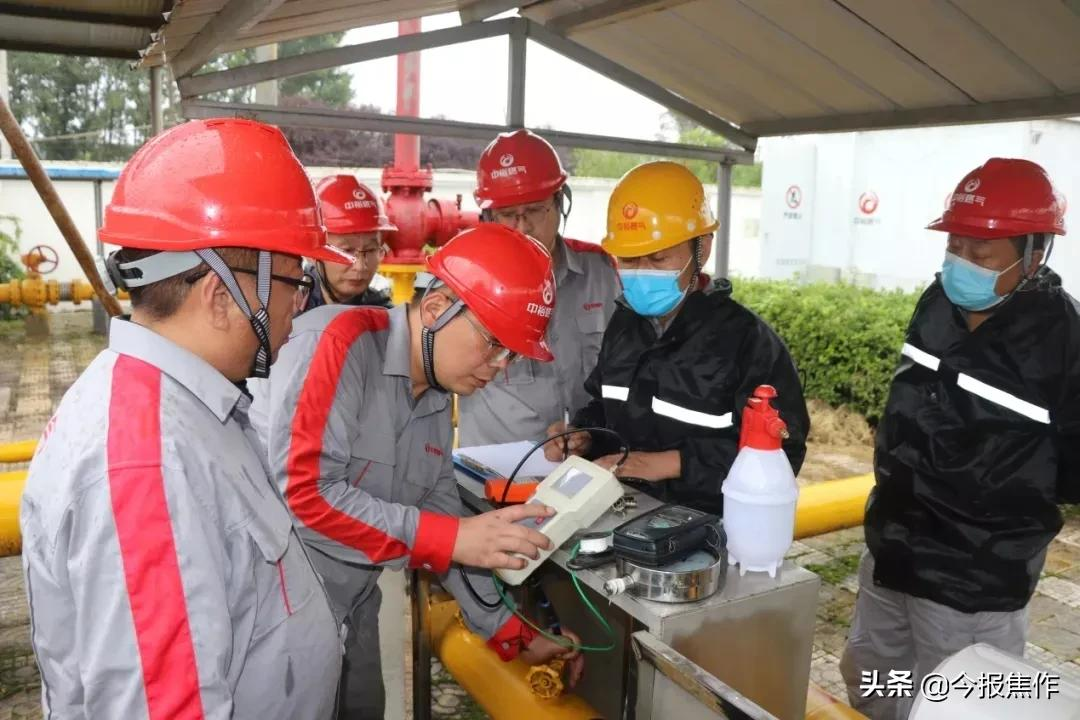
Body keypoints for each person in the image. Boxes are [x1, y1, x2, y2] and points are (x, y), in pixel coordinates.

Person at [20, 118, 350, 718]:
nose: (298, 313)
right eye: (293, 285)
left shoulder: (187, 405)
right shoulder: (148, 460)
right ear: (221, 296)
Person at [254, 223, 585, 719]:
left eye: (511, 353)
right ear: (434, 310)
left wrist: (514, 635)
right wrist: (450, 538)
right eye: (493, 342)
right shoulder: (340, 343)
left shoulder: (433, 393)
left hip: (352, 604)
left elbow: (442, 514)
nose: (500, 365)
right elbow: (305, 497)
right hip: (276, 613)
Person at [841, 158, 1078, 720]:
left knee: (959, 704)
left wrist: (997, 497)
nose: (961, 264)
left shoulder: (1064, 341)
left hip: (974, 576)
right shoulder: (938, 304)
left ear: (1034, 253)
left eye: (982, 253)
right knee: (876, 681)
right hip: (893, 548)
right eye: (956, 247)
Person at [545, 161, 809, 515]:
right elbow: (604, 408)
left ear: (703, 248)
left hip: (710, 529)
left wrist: (674, 463)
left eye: (657, 258)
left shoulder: (746, 341)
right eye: (628, 259)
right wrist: (583, 436)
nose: (641, 272)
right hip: (622, 512)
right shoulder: (624, 325)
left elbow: (782, 451)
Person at [459, 129, 621, 446]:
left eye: (534, 210)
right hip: (494, 479)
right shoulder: (463, 282)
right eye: (508, 215)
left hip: (582, 468)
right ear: (488, 216)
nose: (522, 226)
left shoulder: (600, 274)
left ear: (560, 203)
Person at [301, 175, 395, 312]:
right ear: (311, 253)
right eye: (346, 251)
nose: (360, 266)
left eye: (370, 250)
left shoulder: (385, 317)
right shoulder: (284, 309)